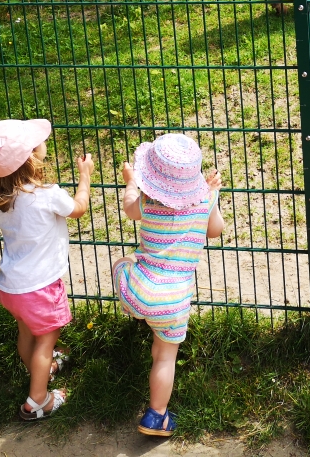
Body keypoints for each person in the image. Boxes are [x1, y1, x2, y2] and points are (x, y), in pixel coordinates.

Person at [0, 118, 94, 421]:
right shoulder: (46, 194)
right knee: (46, 341)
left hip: (10, 288)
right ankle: (37, 401)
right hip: (40, 288)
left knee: (26, 334)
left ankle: (41, 372)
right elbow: (78, 208)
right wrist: (85, 178)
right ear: (30, 156)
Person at [113, 132, 224, 437]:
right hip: (173, 298)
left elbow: (129, 207)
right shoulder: (206, 197)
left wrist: (130, 182)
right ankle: (156, 415)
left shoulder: (146, 199)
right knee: (165, 357)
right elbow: (215, 231)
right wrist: (211, 197)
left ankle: (137, 310)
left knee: (125, 266)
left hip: (137, 289)